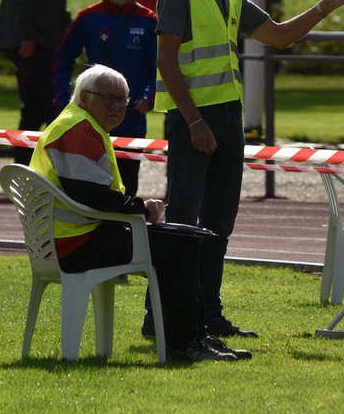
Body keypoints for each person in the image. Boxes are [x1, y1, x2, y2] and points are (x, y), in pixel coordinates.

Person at [154, 0, 344, 338]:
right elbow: (166, 60)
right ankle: (167, 318)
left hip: (227, 117)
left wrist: (328, 4)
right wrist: (193, 121)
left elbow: (279, 36)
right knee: (185, 220)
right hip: (194, 119)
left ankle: (206, 313)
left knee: (219, 221)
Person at [31, 65, 249, 362]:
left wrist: (138, 210)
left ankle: (195, 336)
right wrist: (142, 208)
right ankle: (186, 343)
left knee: (182, 238)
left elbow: (89, 195)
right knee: (182, 246)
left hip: (72, 238)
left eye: (122, 100)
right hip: (76, 242)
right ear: (84, 96)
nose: (117, 107)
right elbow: (90, 196)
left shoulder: (79, 123)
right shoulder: (78, 128)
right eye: (108, 98)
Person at [53, 0, 157, 196]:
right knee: (87, 184)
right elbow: (63, 59)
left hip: (131, 115)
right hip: (90, 115)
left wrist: (149, 96)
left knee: (127, 184)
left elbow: (160, 67)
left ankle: (126, 233)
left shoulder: (149, 20)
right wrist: (64, 98)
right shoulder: (89, 17)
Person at [0, 0, 84, 164]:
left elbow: (42, 0)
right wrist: (26, 36)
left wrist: (64, 21)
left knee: (34, 106)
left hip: (36, 39)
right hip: (34, 42)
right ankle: (56, 166)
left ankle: (26, 165)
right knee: (47, 102)